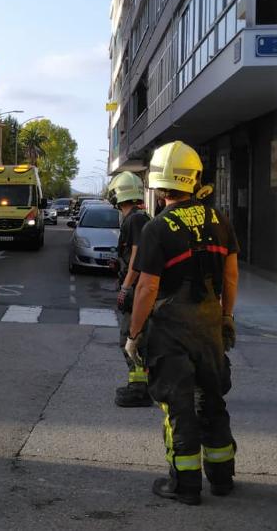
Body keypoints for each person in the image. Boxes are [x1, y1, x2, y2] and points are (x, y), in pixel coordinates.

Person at [126, 140, 239, 505]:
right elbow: (231, 277)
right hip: (209, 326)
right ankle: (222, 477)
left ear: (159, 186)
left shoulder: (157, 228)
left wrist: (134, 334)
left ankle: (185, 484)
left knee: (179, 407)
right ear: (193, 179)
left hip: (171, 330)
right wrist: (225, 318)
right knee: (212, 400)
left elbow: (147, 287)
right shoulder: (219, 219)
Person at [109, 171, 152, 408]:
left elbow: (137, 252)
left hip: (136, 289)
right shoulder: (134, 218)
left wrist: (126, 287)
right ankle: (144, 383)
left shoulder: (135, 219)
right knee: (138, 337)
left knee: (130, 337)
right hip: (137, 286)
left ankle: (139, 387)